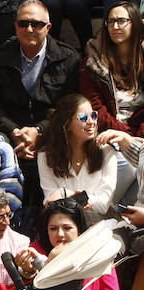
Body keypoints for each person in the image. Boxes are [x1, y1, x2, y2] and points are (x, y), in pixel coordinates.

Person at [0, 0, 79, 225]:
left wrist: (39, 130)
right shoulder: (0, 57)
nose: (29, 29)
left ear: (48, 27)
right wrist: (15, 131)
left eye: (36, 24)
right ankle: (2, 220)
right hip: (10, 132)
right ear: (15, 26)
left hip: (52, 131)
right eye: (23, 23)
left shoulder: (69, 58)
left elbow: (69, 107)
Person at [37, 93, 118, 221]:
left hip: (102, 225)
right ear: (67, 124)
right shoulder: (45, 156)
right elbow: (49, 201)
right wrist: (81, 199)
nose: (92, 122)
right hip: (65, 225)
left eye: (94, 116)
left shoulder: (106, 151)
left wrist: (68, 196)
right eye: (84, 118)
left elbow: (103, 204)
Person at [80, 2, 144, 135]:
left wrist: (139, 137)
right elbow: (95, 109)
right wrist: (126, 135)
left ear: (135, 23)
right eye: (110, 21)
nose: (115, 26)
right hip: (107, 135)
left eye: (121, 21)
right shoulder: (93, 64)